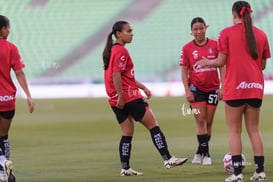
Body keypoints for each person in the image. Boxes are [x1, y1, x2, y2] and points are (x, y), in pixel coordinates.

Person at [102, 21, 188, 176]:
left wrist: (142, 87)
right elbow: (116, 75)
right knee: (153, 125)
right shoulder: (121, 51)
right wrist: (122, 95)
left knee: (127, 133)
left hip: (115, 99)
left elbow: (123, 76)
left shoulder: (112, 51)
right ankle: (168, 158)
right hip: (129, 97)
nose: (132, 33)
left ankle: (125, 168)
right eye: (128, 31)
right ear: (118, 34)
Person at [197, 1, 271, 181]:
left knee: (234, 131)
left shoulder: (226, 33)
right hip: (255, 88)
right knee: (254, 130)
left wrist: (207, 62)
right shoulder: (261, 34)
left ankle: (237, 173)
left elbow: (221, 61)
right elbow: (262, 64)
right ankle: (260, 171)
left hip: (235, 89)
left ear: (234, 14)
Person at [180, 17, 225, 166]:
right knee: (200, 121)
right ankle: (206, 155)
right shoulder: (187, 48)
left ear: (206, 28)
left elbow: (222, 66)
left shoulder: (215, 45)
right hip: (196, 88)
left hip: (213, 88)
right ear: (191, 32)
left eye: (201, 28)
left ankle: (199, 152)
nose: (199, 31)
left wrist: (223, 87)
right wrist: (187, 90)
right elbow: (184, 70)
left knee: (209, 123)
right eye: (195, 29)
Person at [0, 15, 34, 182]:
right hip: (7, 98)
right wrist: (28, 95)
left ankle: (1, 164)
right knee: (3, 136)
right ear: (2, 29)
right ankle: (7, 173)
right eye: (7, 27)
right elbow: (19, 72)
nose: (9, 30)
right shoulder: (11, 48)